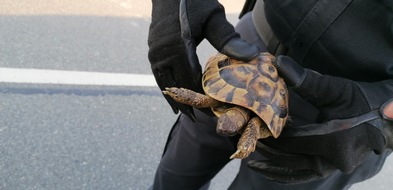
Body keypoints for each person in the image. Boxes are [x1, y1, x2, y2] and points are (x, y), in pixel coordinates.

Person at [147, 0, 393, 189]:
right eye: (227, 123)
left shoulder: (253, 124)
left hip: (347, 111)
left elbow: (248, 120)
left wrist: (385, 117)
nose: (223, 125)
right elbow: (205, 101)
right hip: (245, 50)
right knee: (174, 176)